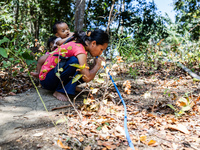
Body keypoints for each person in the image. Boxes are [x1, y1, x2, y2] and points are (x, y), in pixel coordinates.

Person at [39, 29, 109, 101]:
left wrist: (94, 66)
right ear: (93, 43)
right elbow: (87, 77)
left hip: (51, 76)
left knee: (82, 69)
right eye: (101, 49)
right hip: (47, 81)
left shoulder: (79, 45)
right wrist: (97, 66)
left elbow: (85, 73)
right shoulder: (80, 50)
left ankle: (69, 87)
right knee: (74, 62)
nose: (101, 53)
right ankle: (59, 91)